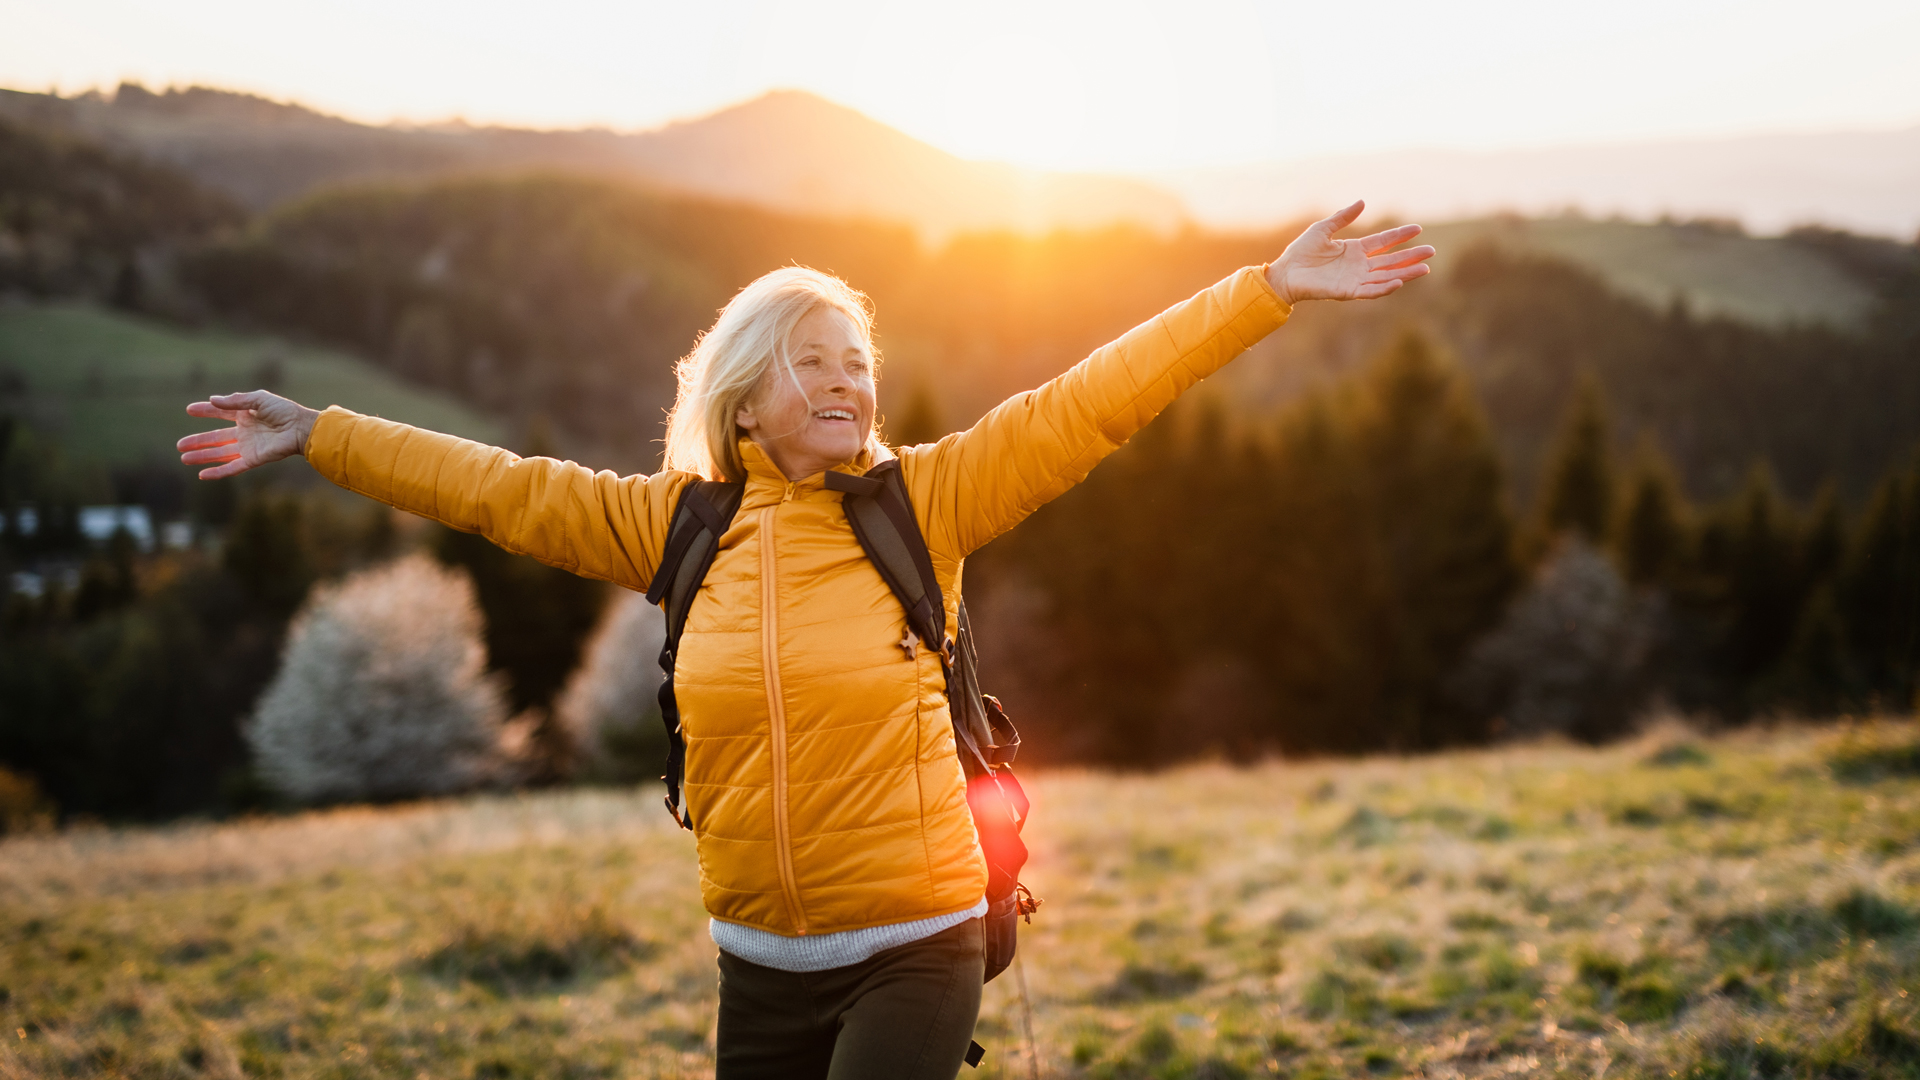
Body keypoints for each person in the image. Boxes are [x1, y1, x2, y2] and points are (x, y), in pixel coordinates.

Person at [178, 199, 1433, 1079]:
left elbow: (1095, 399)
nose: (847, 384)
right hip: (757, 960)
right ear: (744, 397)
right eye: (813, 364)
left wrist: (1262, 291)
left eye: (859, 363)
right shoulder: (673, 530)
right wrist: (319, 434)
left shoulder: (928, 504)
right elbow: (494, 487)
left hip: (920, 940)